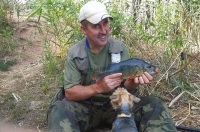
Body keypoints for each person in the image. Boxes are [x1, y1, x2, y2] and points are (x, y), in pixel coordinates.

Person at [47, 1, 177, 132]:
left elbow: (128, 86)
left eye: (105, 23)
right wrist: (98, 88)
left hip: (120, 104)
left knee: (155, 105)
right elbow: (70, 93)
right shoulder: (75, 53)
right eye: (96, 26)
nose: (104, 31)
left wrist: (135, 82)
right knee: (59, 111)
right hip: (86, 107)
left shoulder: (119, 48)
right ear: (84, 30)